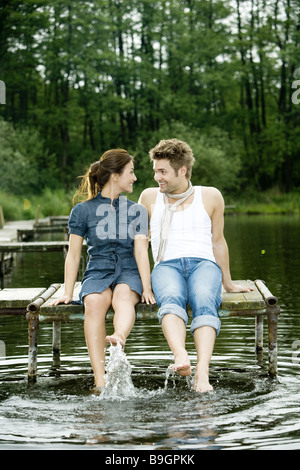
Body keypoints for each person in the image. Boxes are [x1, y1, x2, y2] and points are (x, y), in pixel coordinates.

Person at [139, 139, 252, 393]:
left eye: (163, 171)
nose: (157, 177)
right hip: (166, 265)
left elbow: (218, 241)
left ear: (182, 171)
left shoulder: (210, 195)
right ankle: (181, 356)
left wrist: (229, 282)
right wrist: (141, 282)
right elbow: (139, 242)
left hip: (204, 264)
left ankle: (202, 374)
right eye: (155, 170)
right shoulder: (148, 197)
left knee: (203, 299)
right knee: (170, 298)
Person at [51, 149, 155, 389]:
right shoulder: (82, 211)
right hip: (97, 271)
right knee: (94, 303)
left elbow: (141, 251)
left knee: (123, 297)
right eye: (131, 172)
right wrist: (68, 292)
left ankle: (119, 336)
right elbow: (74, 255)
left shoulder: (137, 211)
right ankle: (100, 380)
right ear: (115, 176)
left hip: (129, 270)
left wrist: (146, 287)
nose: (135, 178)